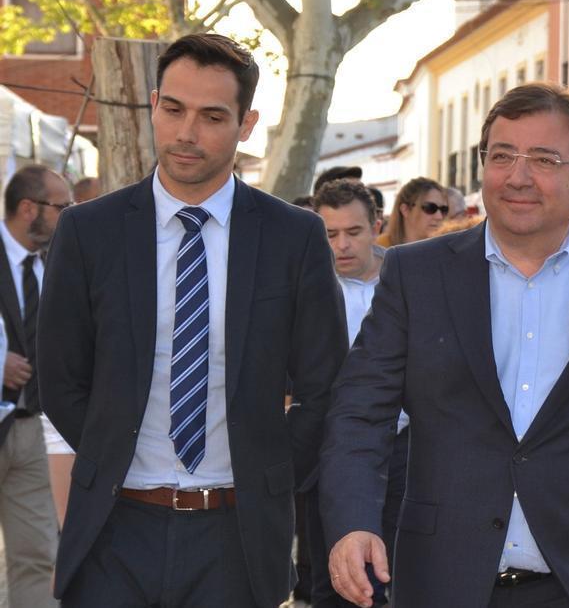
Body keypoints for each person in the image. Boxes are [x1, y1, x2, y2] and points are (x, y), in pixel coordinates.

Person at [320, 82, 569, 608]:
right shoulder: (417, 274)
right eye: (502, 156)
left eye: (543, 158)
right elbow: (360, 414)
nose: (518, 176)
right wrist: (353, 523)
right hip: (441, 582)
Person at [38, 33, 348, 608]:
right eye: (173, 109)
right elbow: (59, 376)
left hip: (237, 533)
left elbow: (324, 386)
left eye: (211, 116)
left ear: (246, 123)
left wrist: (268, 467)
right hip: (114, 526)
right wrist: (112, 451)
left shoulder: (292, 237)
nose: (186, 133)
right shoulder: (89, 231)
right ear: (153, 104)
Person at [310, 179, 409, 608]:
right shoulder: (308, 289)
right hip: (330, 451)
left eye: (353, 232)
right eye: (330, 234)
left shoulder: (410, 281)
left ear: (377, 226)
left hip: (410, 448)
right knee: (342, 580)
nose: (342, 245)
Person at [0, 164, 70, 608]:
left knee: (38, 557)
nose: (70, 215)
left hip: (32, 432)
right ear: (29, 208)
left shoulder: (56, 264)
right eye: (62, 207)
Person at [376, 177, 447, 247]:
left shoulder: (446, 251)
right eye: (430, 208)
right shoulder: (380, 250)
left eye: (444, 209)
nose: (439, 216)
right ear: (405, 210)